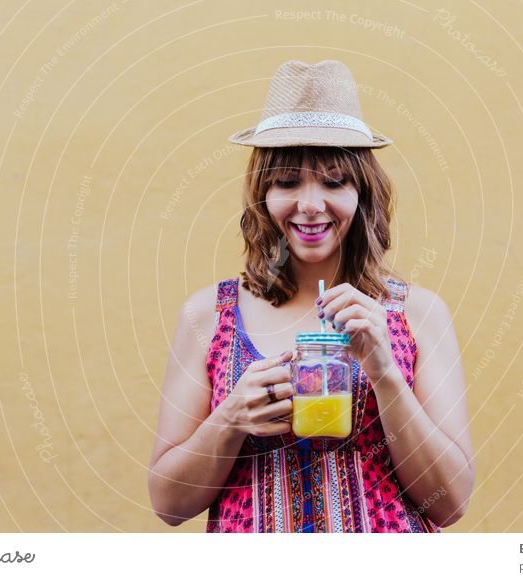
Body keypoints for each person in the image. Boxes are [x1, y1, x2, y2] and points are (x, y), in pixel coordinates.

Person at [149, 60, 474, 532]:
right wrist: (230, 419)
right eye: (286, 182)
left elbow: (452, 501)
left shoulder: (415, 314)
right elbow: (169, 504)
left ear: (363, 192)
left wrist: (384, 371)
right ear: (262, 195)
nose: (310, 204)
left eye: (334, 180)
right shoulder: (209, 314)